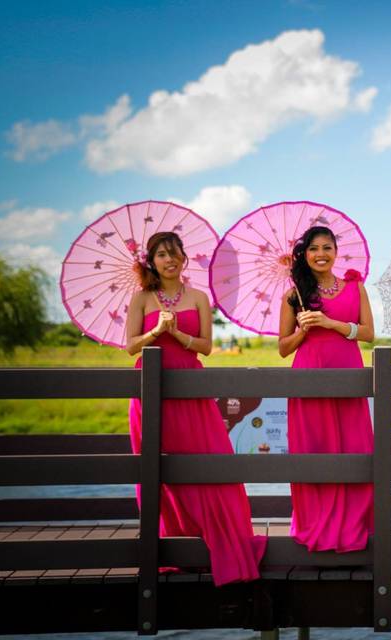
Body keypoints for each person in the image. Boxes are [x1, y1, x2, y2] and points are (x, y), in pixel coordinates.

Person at [126, 231, 265, 585]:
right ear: (151, 261)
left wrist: (180, 337)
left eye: (174, 253)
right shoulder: (141, 299)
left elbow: (205, 347)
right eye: (160, 255)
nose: (168, 260)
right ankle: (170, 543)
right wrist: (157, 330)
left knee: (208, 459)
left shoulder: (199, 297)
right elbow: (130, 347)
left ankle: (217, 539)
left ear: (184, 258)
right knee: (160, 465)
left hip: (191, 385)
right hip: (150, 387)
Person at [279, 226, 374, 552]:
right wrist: (303, 331)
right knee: (315, 450)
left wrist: (332, 324)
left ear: (336, 251)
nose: (321, 254)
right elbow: (283, 347)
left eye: (327, 247)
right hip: (308, 377)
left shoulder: (355, 287)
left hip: (349, 375)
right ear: (304, 255)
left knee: (354, 448)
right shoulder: (294, 296)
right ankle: (314, 523)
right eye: (314, 249)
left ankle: (354, 524)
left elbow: (369, 333)